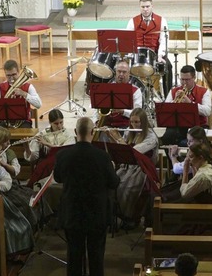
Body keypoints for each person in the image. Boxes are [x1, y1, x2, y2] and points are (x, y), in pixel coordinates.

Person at [54, 117, 120, 276]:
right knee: (96, 257)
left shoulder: (62, 155)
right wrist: (113, 168)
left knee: (74, 257)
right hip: (96, 213)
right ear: (92, 132)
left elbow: (57, 178)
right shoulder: (102, 157)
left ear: (76, 132)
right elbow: (114, 183)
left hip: (72, 212)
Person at [114, 108, 159, 229]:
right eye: (132, 122)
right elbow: (122, 151)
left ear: (143, 122)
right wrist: (113, 137)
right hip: (128, 167)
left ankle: (131, 218)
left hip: (142, 170)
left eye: (137, 122)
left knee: (128, 188)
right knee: (115, 183)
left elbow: (132, 152)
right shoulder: (130, 132)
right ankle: (121, 216)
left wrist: (117, 138)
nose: (134, 125)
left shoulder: (151, 137)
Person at [127, 0, 173, 95]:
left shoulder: (161, 20)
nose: (145, 9)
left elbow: (164, 40)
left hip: (155, 54)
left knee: (168, 66)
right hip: (137, 54)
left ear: (152, 6)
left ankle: (168, 96)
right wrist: (130, 54)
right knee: (123, 67)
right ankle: (131, 93)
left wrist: (160, 55)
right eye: (143, 7)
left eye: (147, 6)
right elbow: (128, 40)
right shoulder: (132, 21)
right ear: (140, 7)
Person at [162, 65, 212, 146]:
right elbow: (165, 110)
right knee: (167, 138)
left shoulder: (204, 91)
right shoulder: (173, 91)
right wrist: (174, 101)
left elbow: (207, 111)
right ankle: (171, 157)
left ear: (194, 78)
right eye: (182, 79)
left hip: (198, 127)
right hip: (179, 127)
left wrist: (190, 104)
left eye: (187, 80)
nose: (184, 83)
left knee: (186, 143)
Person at [25, 109, 75, 188]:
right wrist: (27, 148)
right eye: (56, 123)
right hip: (48, 164)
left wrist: (47, 144)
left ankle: (39, 184)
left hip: (63, 162)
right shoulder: (43, 133)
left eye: (61, 122)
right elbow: (33, 156)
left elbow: (65, 151)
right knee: (43, 165)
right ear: (50, 123)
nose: (59, 126)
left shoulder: (68, 134)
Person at [0, 59, 42, 128]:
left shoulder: (28, 87)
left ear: (18, 72)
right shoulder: (0, 87)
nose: (11, 78)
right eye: (8, 75)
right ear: (5, 74)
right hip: (5, 121)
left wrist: (24, 94)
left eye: (14, 74)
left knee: (24, 132)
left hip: (23, 122)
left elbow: (39, 104)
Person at [96, 60, 143, 129]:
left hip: (126, 126)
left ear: (129, 74)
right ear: (115, 72)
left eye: (124, 72)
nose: (121, 74)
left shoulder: (136, 91)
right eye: (119, 71)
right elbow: (96, 108)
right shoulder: (106, 88)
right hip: (106, 125)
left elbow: (138, 114)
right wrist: (96, 121)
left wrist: (123, 111)